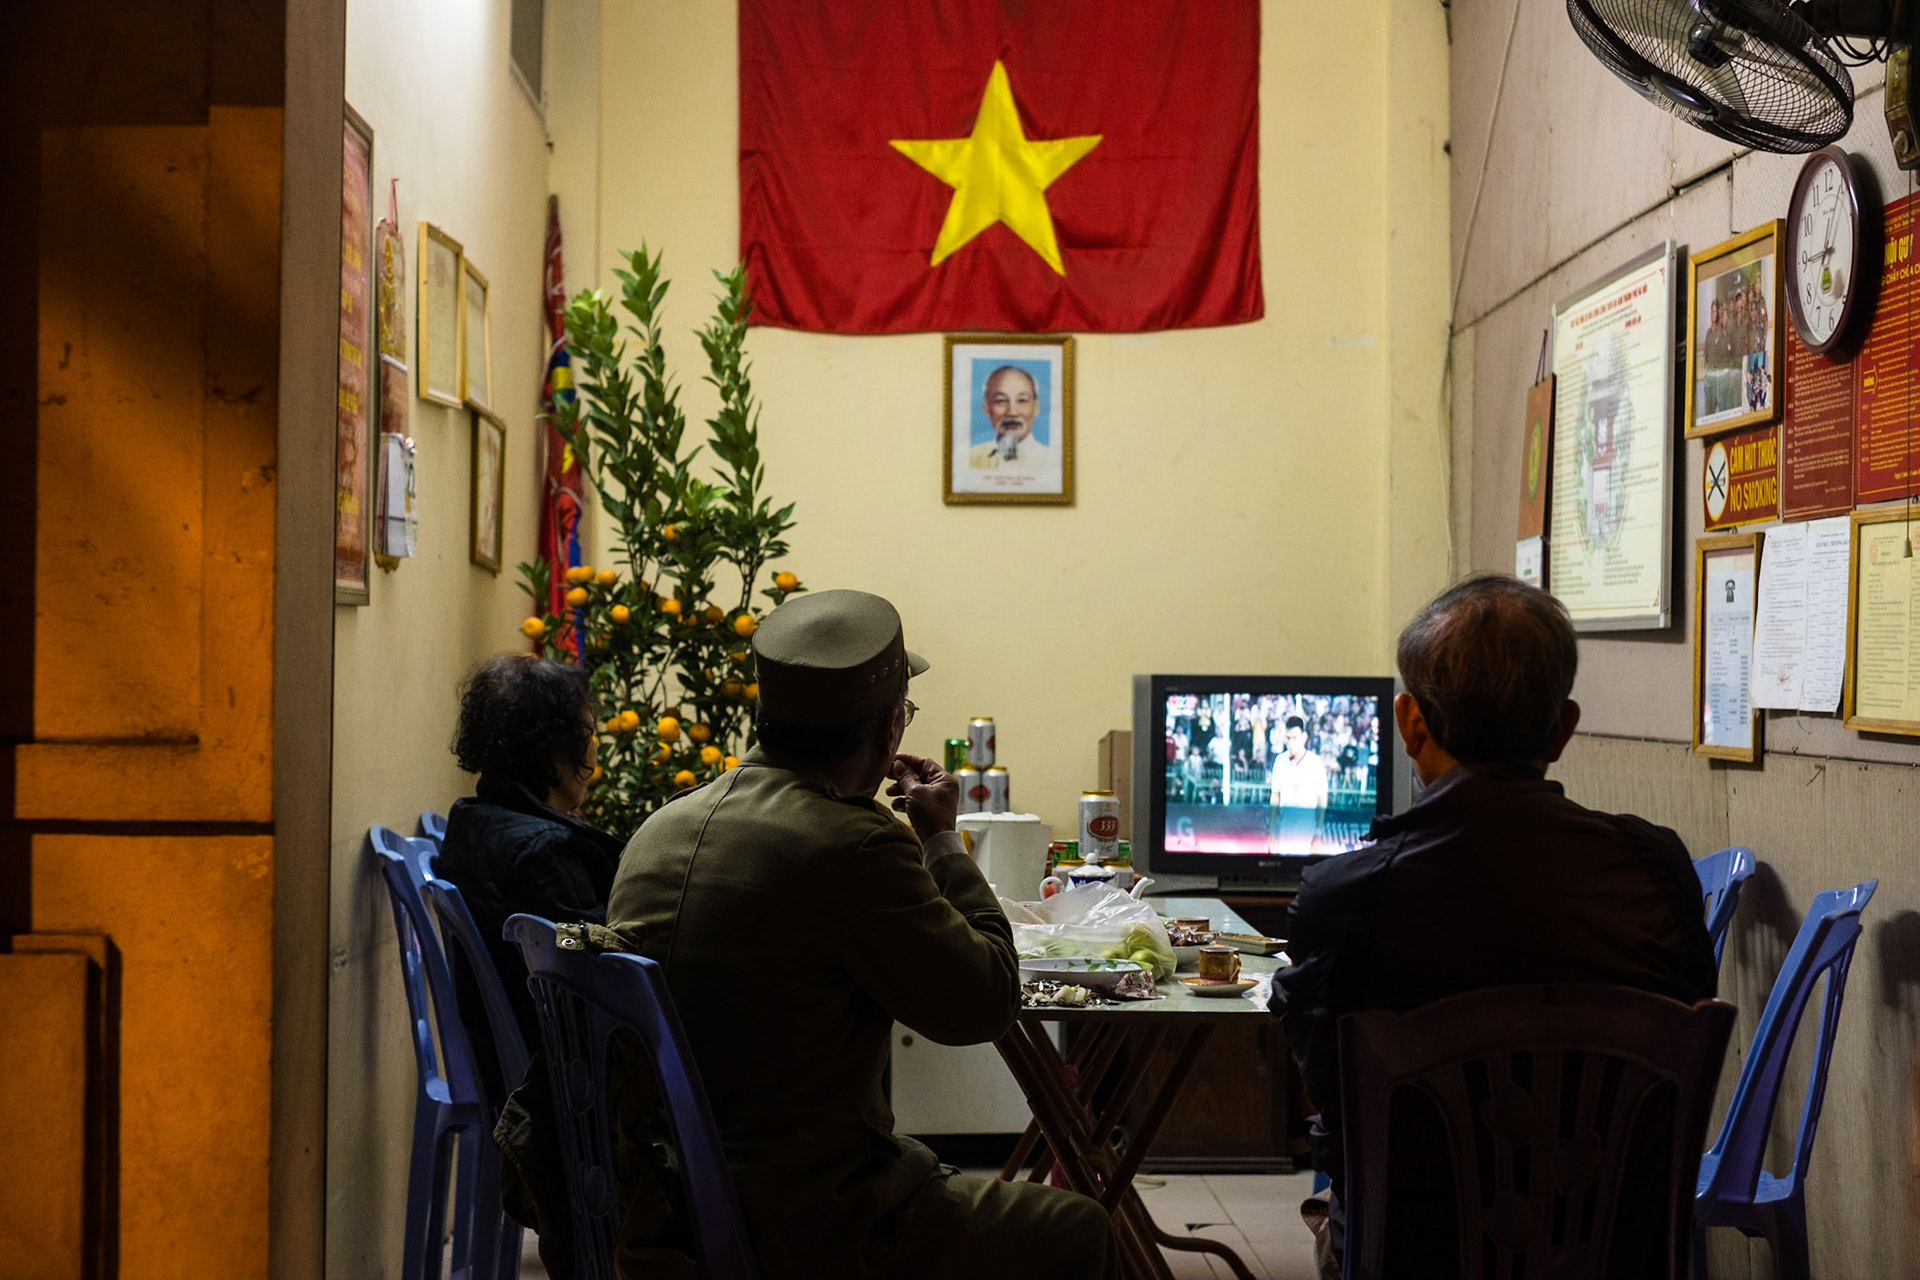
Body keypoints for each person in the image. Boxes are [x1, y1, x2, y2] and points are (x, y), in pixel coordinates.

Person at [606, 589, 1118, 1280]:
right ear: (888, 733)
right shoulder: (853, 844)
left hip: (652, 1204)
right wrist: (941, 839)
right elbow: (986, 1002)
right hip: (799, 1221)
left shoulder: (661, 827)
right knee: (1077, 1226)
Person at [1268, 574, 1716, 1280]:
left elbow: (1328, 1089)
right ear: (1563, 729)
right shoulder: (1656, 869)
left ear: (1410, 722)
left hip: (1413, 1253)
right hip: (1612, 1253)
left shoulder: (1347, 896)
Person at [437, 654, 625, 1110]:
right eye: (588, 731)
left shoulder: (472, 819)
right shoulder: (542, 854)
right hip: (563, 1088)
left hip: (509, 1065)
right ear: (558, 748)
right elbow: (606, 980)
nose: (595, 745)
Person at [967, 365, 1054, 473]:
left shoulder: (1052, 461)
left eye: (1022, 400)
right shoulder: (970, 457)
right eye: (1001, 401)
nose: (1012, 412)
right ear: (986, 408)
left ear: (1035, 408)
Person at [1268, 715, 1330, 852]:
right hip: (1285, 827)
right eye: (1288, 738)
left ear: (1304, 737)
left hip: (1306, 828)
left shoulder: (1315, 762)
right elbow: (1275, 796)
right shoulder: (1280, 761)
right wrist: (1272, 830)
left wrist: (1318, 832)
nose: (1290, 743)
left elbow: (1322, 798)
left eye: (1294, 738)